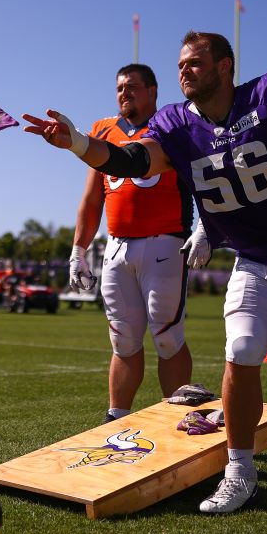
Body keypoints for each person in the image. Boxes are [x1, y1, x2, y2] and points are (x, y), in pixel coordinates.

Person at [23, 30, 267, 514]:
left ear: (225, 66)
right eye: (181, 64)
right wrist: (78, 142)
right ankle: (240, 470)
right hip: (254, 262)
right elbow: (131, 159)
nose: (184, 70)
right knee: (242, 351)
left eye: (195, 63)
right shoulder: (175, 125)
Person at [67, 63, 196, 425]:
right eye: (120, 87)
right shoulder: (103, 130)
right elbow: (93, 199)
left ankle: (177, 421)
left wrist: (206, 229)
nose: (125, 93)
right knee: (123, 339)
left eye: (133, 87)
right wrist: (79, 249)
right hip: (118, 246)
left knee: (168, 338)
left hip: (166, 243)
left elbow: (202, 180)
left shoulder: (171, 126)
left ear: (153, 90)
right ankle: (116, 417)